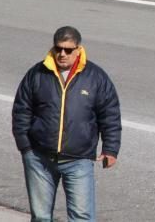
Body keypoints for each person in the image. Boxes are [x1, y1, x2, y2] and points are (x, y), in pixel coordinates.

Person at [12, 26, 121, 221]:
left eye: (68, 50)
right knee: (41, 217)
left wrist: (111, 149)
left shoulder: (95, 77)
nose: (62, 54)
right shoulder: (37, 74)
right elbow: (21, 110)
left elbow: (110, 114)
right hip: (39, 159)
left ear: (79, 49)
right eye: (58, 48)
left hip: (78, 160)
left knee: (82, 216)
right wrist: (26, 148)